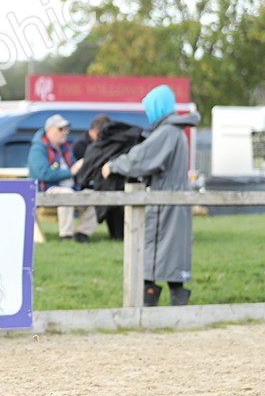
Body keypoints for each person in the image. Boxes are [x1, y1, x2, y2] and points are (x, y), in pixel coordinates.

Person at [102, 84, 200, 306]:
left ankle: (148, 304)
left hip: (164, 200)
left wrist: (114, 165)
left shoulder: (166, 132)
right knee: (173, 255)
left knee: (153, 253)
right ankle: (177, 304)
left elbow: (141, 159)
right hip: (176, 199)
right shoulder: (176, 131)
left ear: (158, 107)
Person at [28, 114, 96, 242]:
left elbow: (76, 171)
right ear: (50, 130)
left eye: (66, 129)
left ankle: (83, 234)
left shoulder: (65, 148)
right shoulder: (38, 148)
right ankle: (66, 236)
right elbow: (42, 174)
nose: (65, 132)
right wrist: (70, 172)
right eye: (61, 129)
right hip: (45, 191)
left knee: (95, 196)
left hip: (71, 189)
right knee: (66, 194)